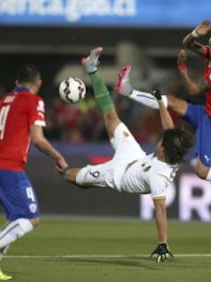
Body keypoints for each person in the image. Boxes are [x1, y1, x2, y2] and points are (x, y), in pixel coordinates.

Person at [58, 47, 194, 263]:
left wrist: (163, 244)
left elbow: (160, 211)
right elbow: (169, 129)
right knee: (111, 116)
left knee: (72, 177)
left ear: (164, 150)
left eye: (160, 143)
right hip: (134, 157)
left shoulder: (159, 177)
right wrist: (160, 102)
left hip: (117, 175)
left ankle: (61, 169)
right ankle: (92, 68)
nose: (157, 142)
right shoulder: (168, 150)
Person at [115, 19, 211, 206]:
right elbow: (188, 44)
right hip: (209, 112)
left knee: (202, 171)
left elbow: (192, 89)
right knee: (172, 102)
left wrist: (182, 68)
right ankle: (127, 91)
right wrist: (195, 34)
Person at [0, 64, 68, 280]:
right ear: (38, 83)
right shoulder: (34, 101)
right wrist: (58, 157)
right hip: (9, 168)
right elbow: (38, 140)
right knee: (31, 218)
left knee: (16, 218)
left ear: (17, 82)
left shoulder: (3, 101)